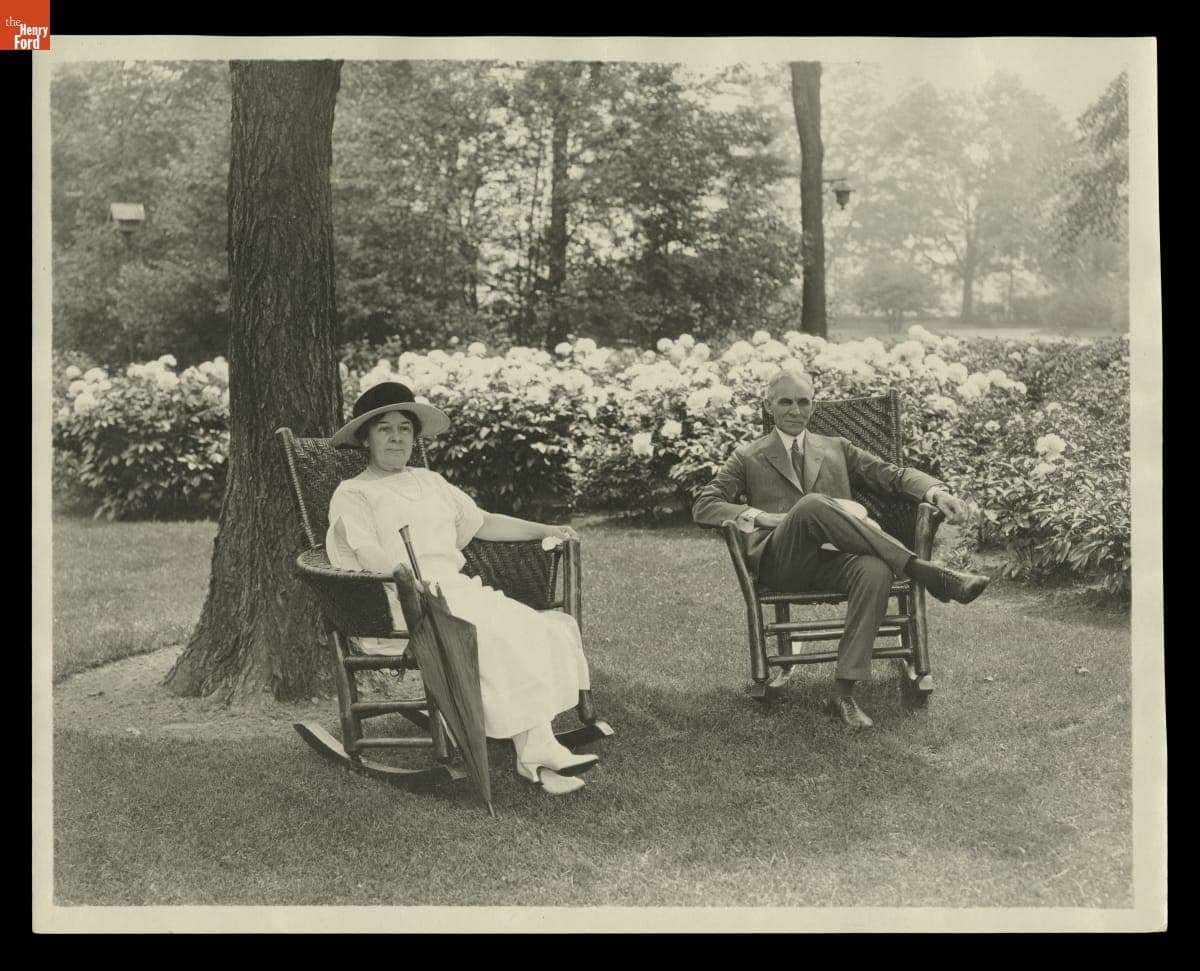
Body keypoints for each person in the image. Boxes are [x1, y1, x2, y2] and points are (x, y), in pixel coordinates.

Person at [326, 381, 598, 796]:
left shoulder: (431, 482)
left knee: (533, 626)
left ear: (415, 437)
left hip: (455, 588)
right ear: (365, 438)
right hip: (401, 599)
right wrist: (406, 579)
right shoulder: (354, 493)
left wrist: (546, 529)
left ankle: (538, 746)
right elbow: (366, 552)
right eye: (384, 429)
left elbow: (483, 522)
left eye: (405, 428)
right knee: (490, 636)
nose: (397, 438)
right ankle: (535, 752)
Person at [693, 366, 990, 729]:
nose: (795, 410)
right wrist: (761, 517)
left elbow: (893, 476)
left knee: (875, 569)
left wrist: (936, 492)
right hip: (782, 563)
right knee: (813, 504)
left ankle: (844, 692)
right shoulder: (748, 456)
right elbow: (705, 504)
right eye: (785, 402)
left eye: (803, 402)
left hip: (834, 561)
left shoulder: (835, 448)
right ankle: (924, 571)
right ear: (769, 405)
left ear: (813, 406)